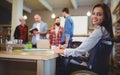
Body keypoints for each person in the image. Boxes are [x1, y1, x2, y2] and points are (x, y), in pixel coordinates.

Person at [55, 3, 114, 75]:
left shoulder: (100, 31)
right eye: (94, 13)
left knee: (60, 62)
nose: (94, 16)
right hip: (98, 68)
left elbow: (79, 51)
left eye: (99, 14)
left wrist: (62, 51)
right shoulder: (105, 30)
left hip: (92, 69)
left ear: (105, 17)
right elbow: (86, 48)